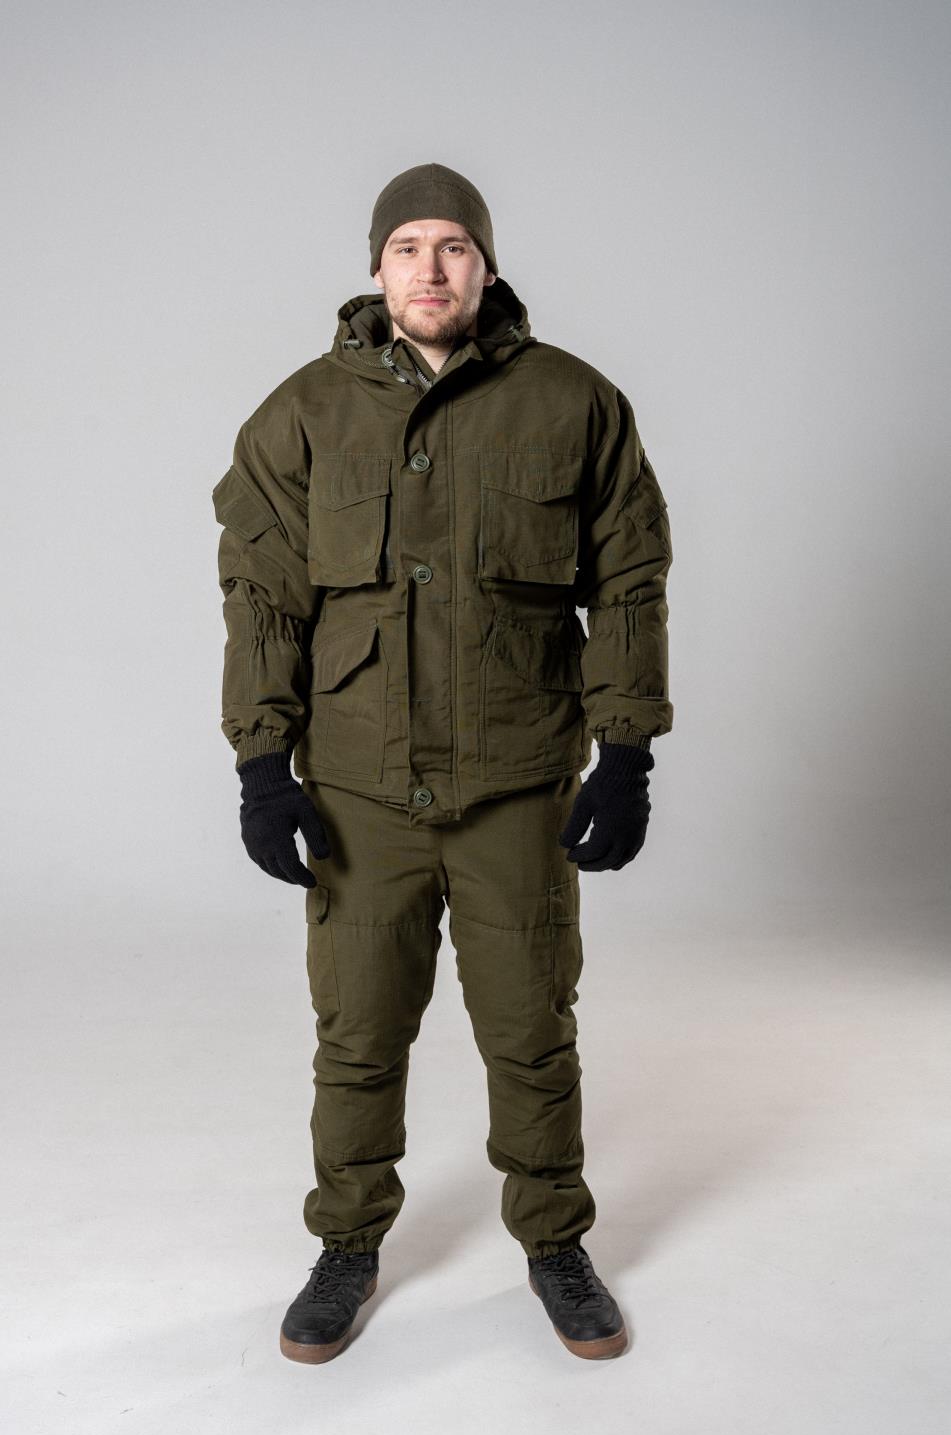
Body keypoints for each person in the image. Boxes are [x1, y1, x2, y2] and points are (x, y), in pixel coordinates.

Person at [212, 162, 674, 1363]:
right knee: (357, 1036)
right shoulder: (302, 414)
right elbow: (262, 598)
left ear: (486, 265)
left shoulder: (573, 403)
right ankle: (347, 1243)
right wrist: (264, 766)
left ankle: (555, 1243)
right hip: (360, 791)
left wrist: (625, 753)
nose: (430, 268)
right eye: (408, 246)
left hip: (518, 782)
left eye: (454, 246)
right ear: (376, 267)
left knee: (532, 1030)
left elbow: (629, 581)